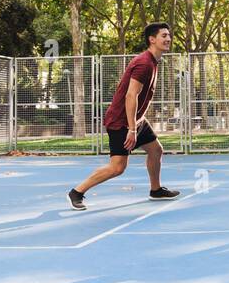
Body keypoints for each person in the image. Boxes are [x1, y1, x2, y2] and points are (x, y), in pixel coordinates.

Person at [68, 22, 181, 209]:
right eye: (163, 35)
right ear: (152, 39)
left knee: (155, 150)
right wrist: (132, 128)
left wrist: (137, 123)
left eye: (169, 35)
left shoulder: (153, 61)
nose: (168, 38)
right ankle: (77, 192)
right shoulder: (144, 63)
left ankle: (156, 190)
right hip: (121, 122)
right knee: (117, 167)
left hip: (136, 120)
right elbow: (131, 96)